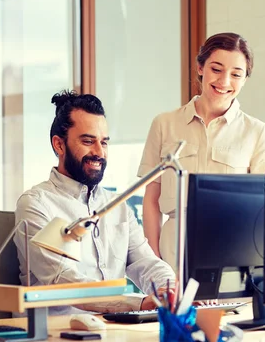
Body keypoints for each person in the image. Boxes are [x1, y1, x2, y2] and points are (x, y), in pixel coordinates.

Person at [13, 90, 176, 316]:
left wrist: (170, 290)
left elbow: (147, 262)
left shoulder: (117, 206)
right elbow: (64, 280)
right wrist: (137, 303)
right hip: (55, 337)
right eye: (88, 141)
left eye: (104, 143)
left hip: (114, 334)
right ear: (59, 145)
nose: (99, 152)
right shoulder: (36, 204)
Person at [137, 32, 265, 269]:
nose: (224, 81)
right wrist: (154, 262)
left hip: (232, 253)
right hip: (172, 255)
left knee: (224, 309)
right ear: (200, 67)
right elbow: (152, 199)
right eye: (216, 69)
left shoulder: (257, 132)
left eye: (236, 74)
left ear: (244, 80)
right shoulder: (164, 124)